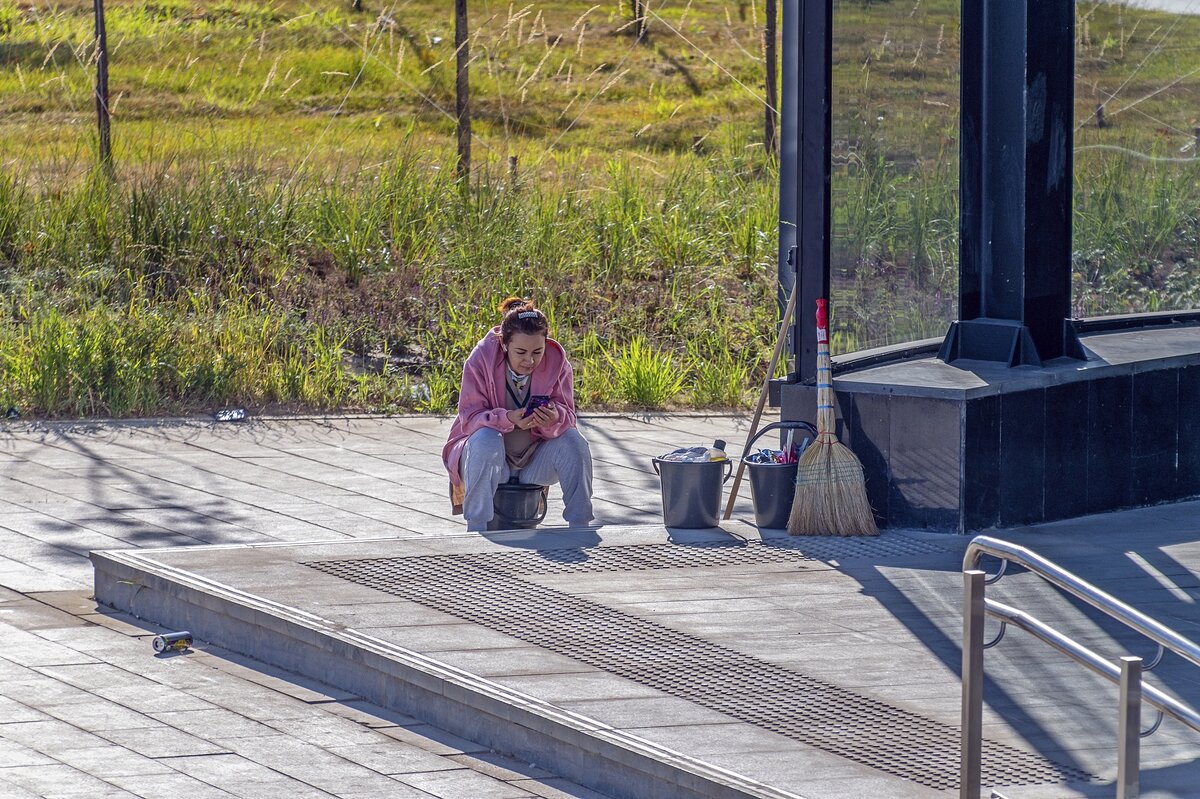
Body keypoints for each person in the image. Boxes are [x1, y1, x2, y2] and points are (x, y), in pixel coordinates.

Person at [442, 297, 594, 532]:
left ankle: (580, 525)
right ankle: (476, 527)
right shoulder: (480, 359)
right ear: (504, 344)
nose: (529, 360)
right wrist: (507, 419)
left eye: (537, 351)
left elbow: (568, 415)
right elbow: (469, 419)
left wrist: (554, 418)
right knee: (485, 438)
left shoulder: (558, 362)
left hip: (534, 462)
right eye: (521, 351)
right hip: (487, 458)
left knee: (575, 441)